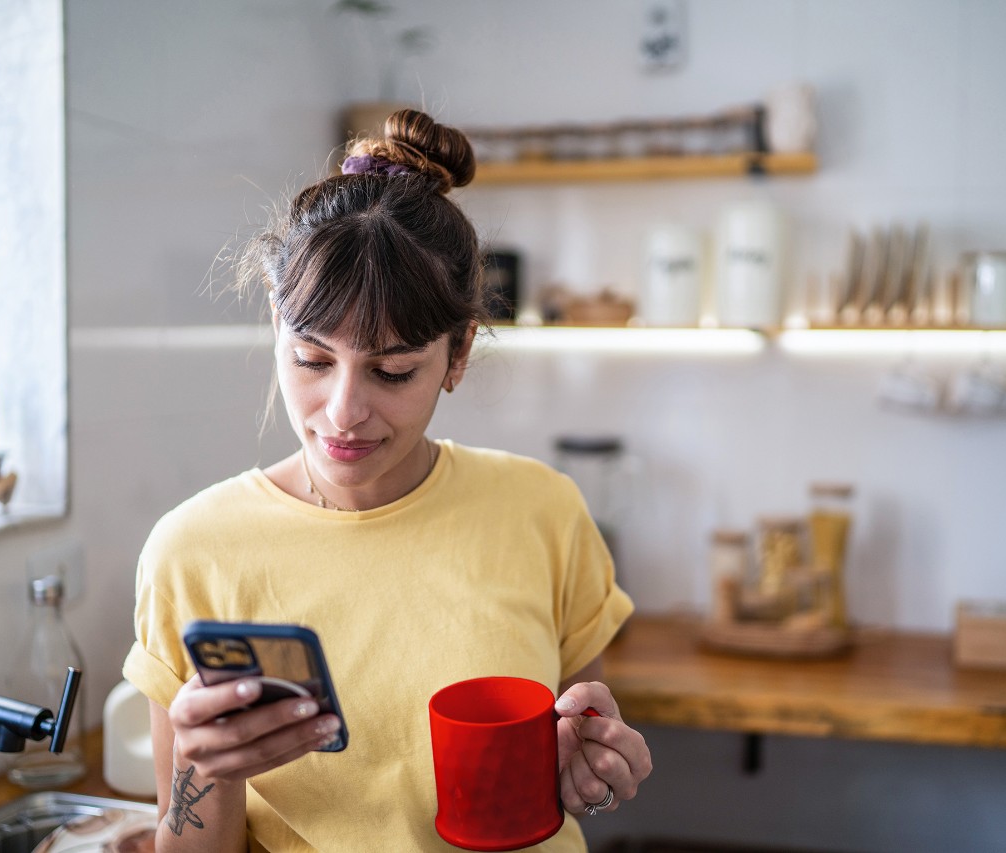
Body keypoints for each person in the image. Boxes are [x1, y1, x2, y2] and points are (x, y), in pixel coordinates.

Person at [122, 108, 651, 852]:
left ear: (459, 352)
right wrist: (208, 773)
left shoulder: (543, 510)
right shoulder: (192, 550)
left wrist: (590, 768)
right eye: (311, 359)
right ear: (276, 324)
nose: (342, 412)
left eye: (393, 370)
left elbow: (580, 736)